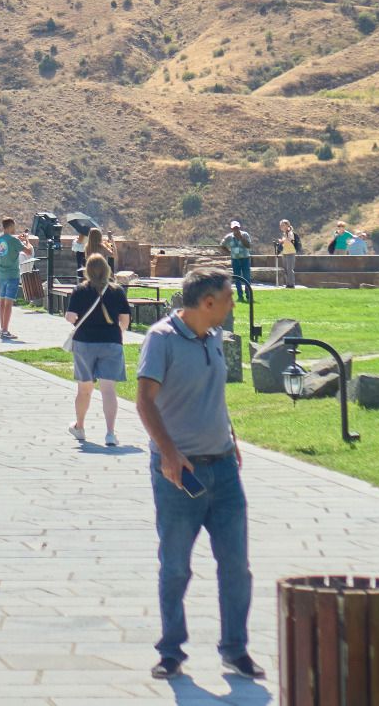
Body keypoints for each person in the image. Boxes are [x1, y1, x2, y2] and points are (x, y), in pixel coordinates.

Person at [135, 265, 263, 682]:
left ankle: (235, 649)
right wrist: (169, 455)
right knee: (175, 566)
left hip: (224, 469)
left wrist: (230, 434)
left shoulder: (215, 336)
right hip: (179, 476)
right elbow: (144, 402)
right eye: (228, 299)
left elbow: (213, 395)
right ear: (208, 303)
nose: (232, 306)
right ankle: (171, 649)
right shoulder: (161, 340)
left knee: (236, 566)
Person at [66, 255, 133, 446]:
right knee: (108, 390)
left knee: (84, 388)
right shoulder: (117, 291)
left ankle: (80, 426)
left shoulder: (80, 290)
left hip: (85, 342)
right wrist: (113, 331)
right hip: (111, 341)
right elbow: (125, 321)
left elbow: (70, 317)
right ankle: (110, 433)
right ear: (107, 270)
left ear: (87, 269)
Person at [0, 218, 26, 340]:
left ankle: (2, 328)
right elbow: (28, 251)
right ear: (11, 226)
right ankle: (5, 330)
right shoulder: (14, 240)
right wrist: (26, 241)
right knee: (9, 303)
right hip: (12, 274)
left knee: (2, 302)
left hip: (1, 274)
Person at [222, 222, 253, 301]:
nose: (236, 230)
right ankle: (240, 296)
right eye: (234, 228)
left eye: (237, 228)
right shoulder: (229, 237)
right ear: (232, 229)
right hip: (235, 260)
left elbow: (249, 246)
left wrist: (241, 238)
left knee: (247, 277)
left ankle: (248, 296)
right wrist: (229, 252)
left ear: (239, 228)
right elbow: (222, 245)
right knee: (237, 278)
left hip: (245, 259)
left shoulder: (245, 234)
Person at [275, 220, 300, 288]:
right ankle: (288, 284)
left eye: (282, 225)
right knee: (286, 269)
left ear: (287, 225)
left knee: (289, 269)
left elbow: (290, 241)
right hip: (285, 252)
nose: (281, 226)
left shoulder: (290, 232)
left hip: (290, 252)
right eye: (280, 225)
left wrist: (282, 241)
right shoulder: (285, 233)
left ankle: (291, 284)